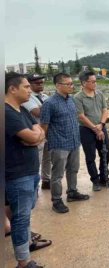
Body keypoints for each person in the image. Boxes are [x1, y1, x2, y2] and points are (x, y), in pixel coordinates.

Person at [5, 72, 46, 268]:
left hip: (29, 171)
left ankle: (25, 243)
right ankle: (24, 262)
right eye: (26, 87)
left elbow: (39, 131)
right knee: (21, 218)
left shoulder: (22, 110)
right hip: (17, 174)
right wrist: (34, 137)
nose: (30, 90)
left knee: (22, 213)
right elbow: (32, 137)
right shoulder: (6, 112)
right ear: (12, 89)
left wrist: (35, 135)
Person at [40, 73, 90, 213]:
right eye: (67, 84)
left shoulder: (71, 100)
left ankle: (72, 192)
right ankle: (56, 200)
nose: (71, 86)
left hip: (74, 142)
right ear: (57, 85)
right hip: (59, 144)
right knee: (57, 174)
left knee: (73, 169)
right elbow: (44, 126)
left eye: (71, 84)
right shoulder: (49, 103)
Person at [74, 71, 109, 191]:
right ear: (83, 83)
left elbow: (105, 110)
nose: (95, 84)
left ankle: (104, 177)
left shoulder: (99, 94)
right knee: (90, 156)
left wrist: (101, 125)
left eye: (95, 81)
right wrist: (94, 128)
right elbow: (81, 116)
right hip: (86, 130)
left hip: (101, 127)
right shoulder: (78, 97)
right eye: (92, 81)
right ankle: (95, 181)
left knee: (106, 153)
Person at [22, 73, 52, 190]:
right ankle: (34, 186)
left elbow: (46, 110)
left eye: (42, 82)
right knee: (36, 160)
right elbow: (37, 113)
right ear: (29, 85)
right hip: (35, 132)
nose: (40, 85)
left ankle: (46, 180)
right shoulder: (27, 98)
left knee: (48, 158)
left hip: (48, 132)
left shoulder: (44, 96)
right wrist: (50, 109)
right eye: (37, 83)